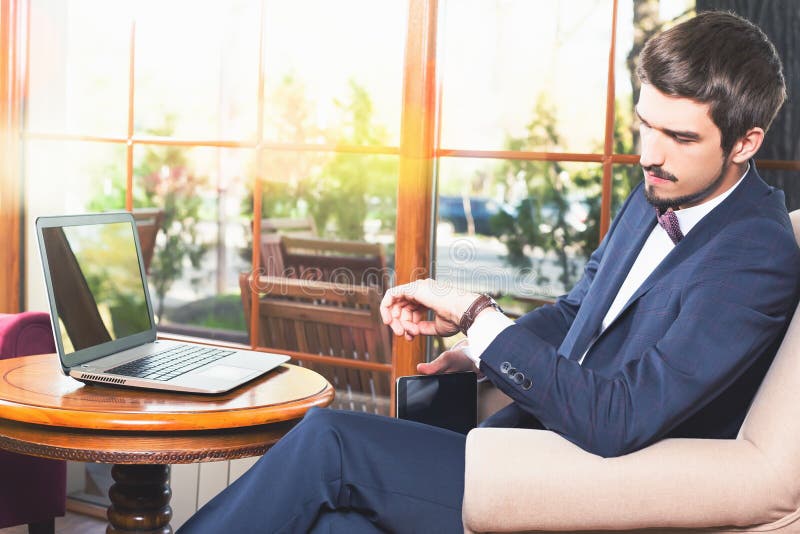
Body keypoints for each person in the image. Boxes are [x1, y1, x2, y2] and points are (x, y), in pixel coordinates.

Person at [178, 11, 799, 534]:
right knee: (335, 524)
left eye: (679, 137)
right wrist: (483, 350)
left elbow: (621, 418)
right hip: (527, 441)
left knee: (329, 442)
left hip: (586, 483)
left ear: (744, 143)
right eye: (645, 125)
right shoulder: (662, 190)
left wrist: (479, 317)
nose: (649, 155)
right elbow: (578, 315)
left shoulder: (755, 254)